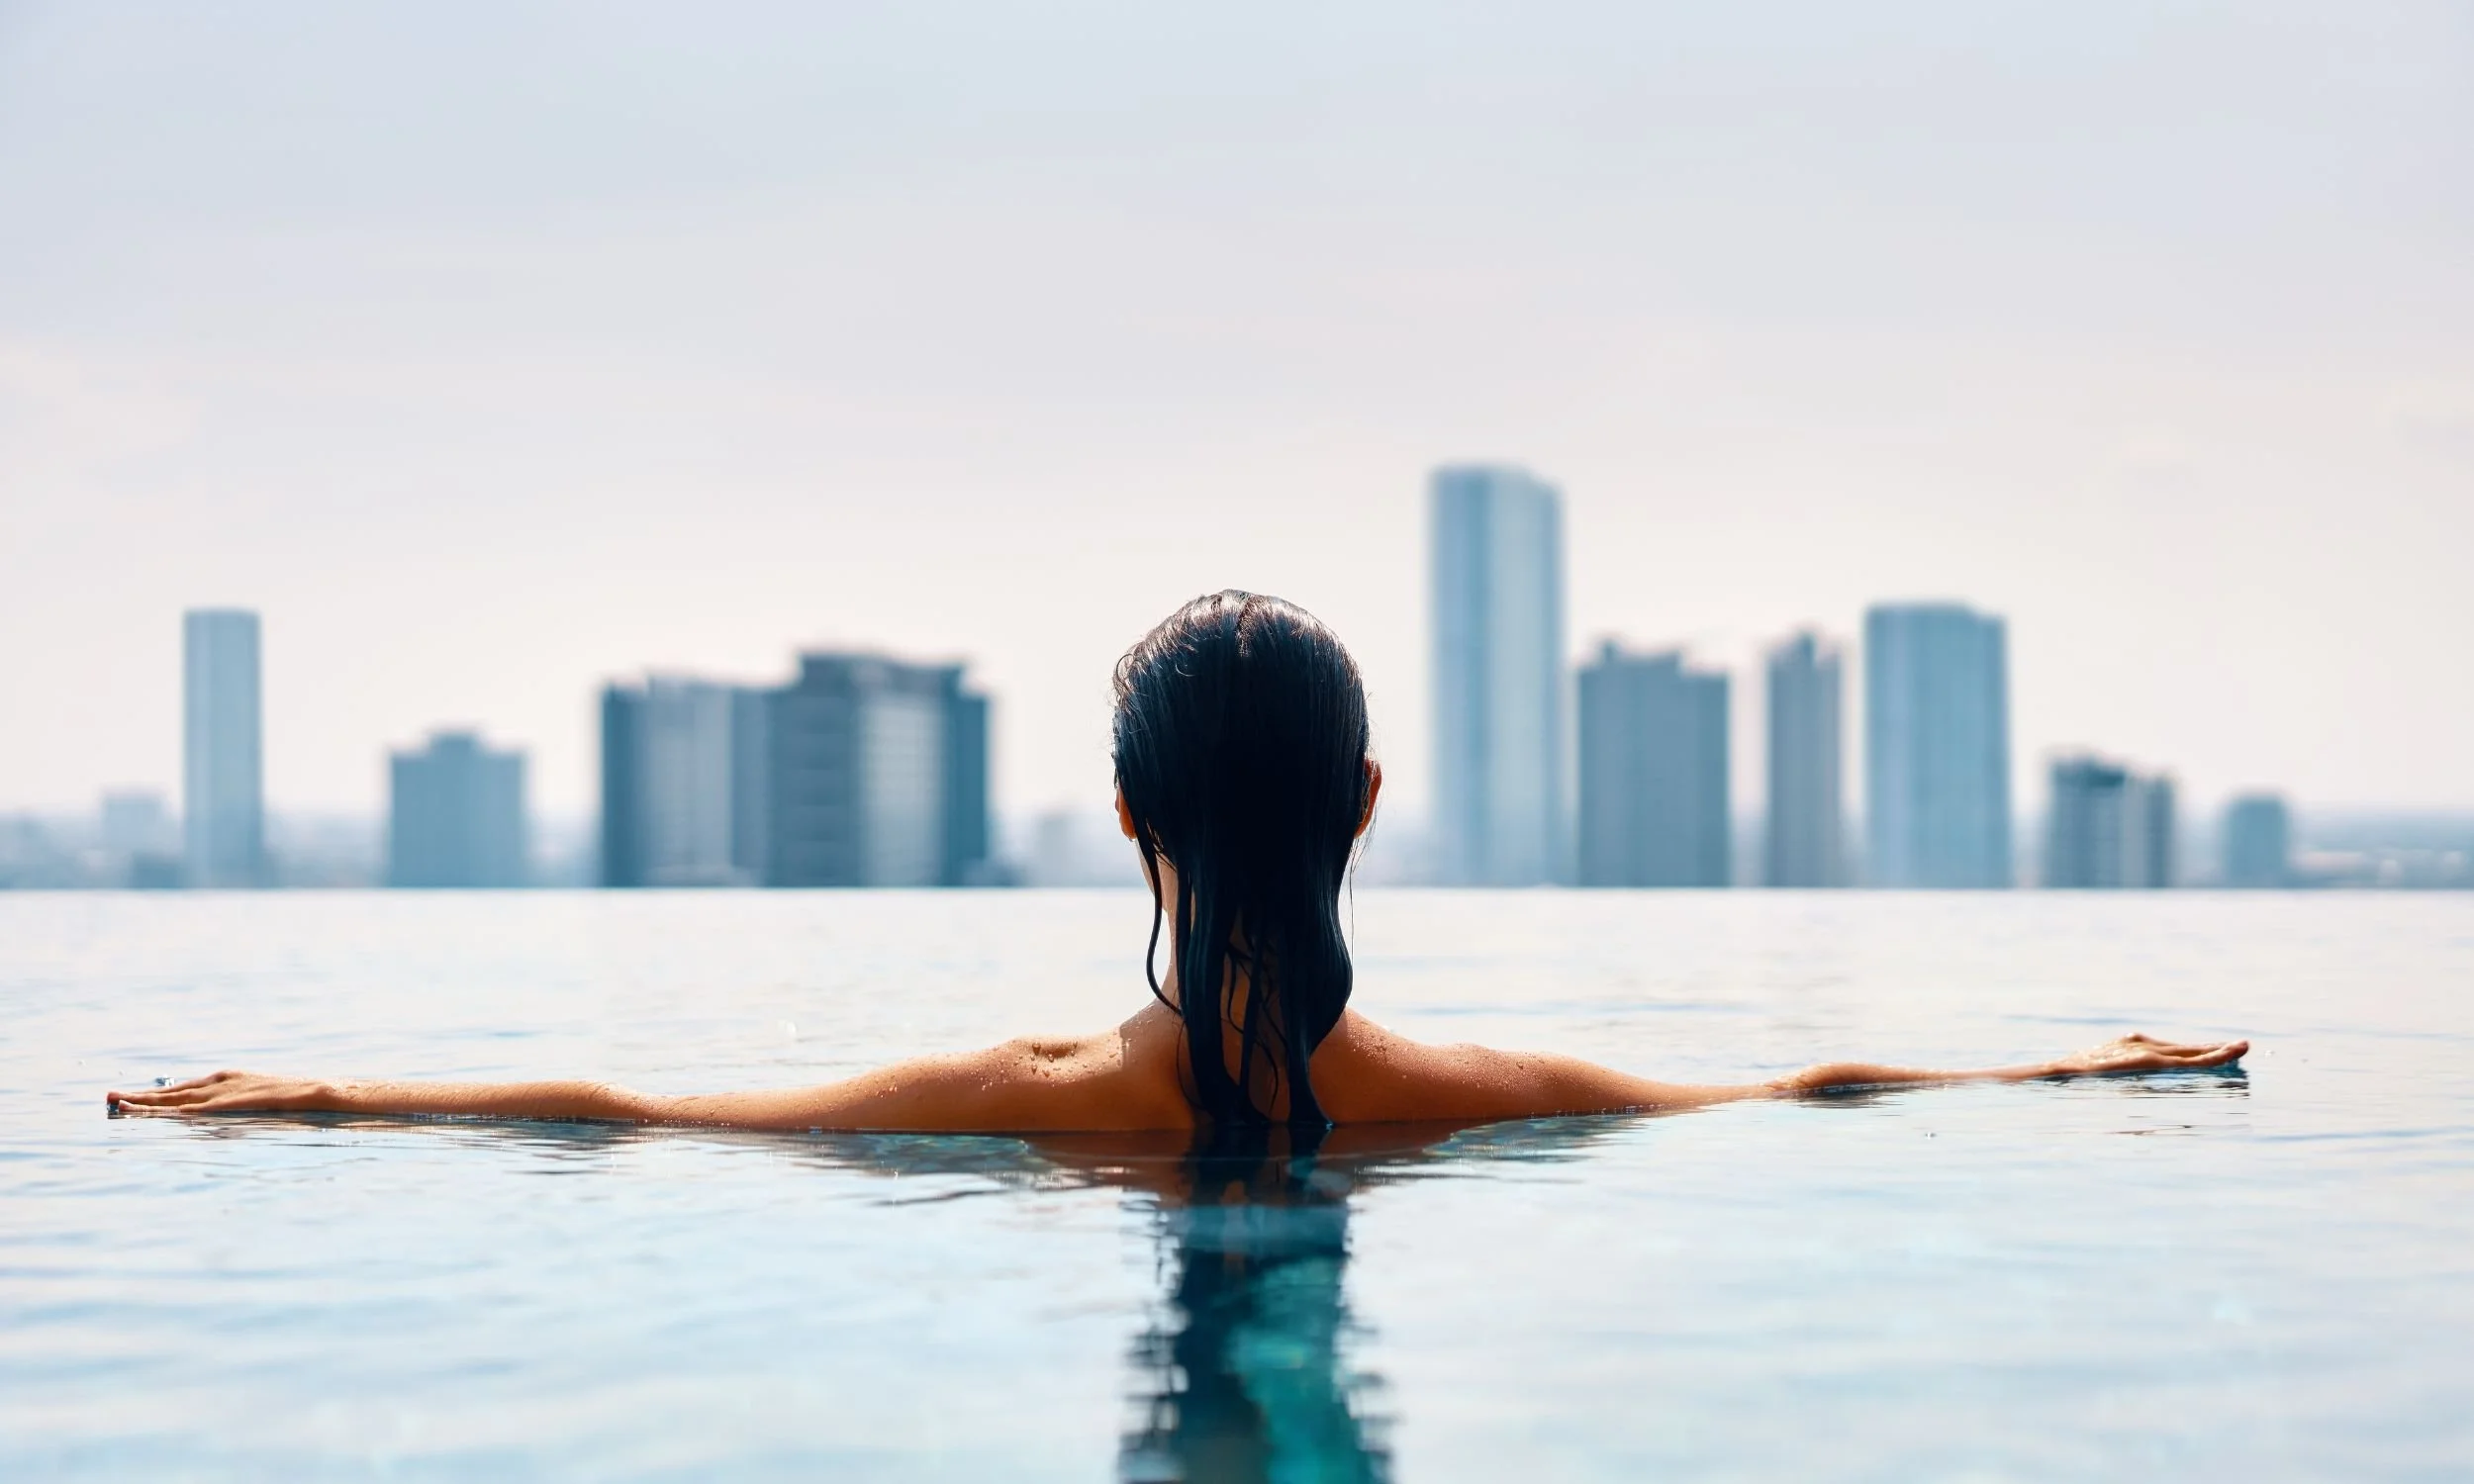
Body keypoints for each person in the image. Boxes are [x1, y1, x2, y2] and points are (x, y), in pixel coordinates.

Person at [107, 591, 2247, 1133]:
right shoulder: (1452, 1107)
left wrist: (330, 1093)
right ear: (1366, 807)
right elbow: (1802, 1092)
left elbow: (625, 1112)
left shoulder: (1022, 1112)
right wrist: (2079, 1071)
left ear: (1125, 818)